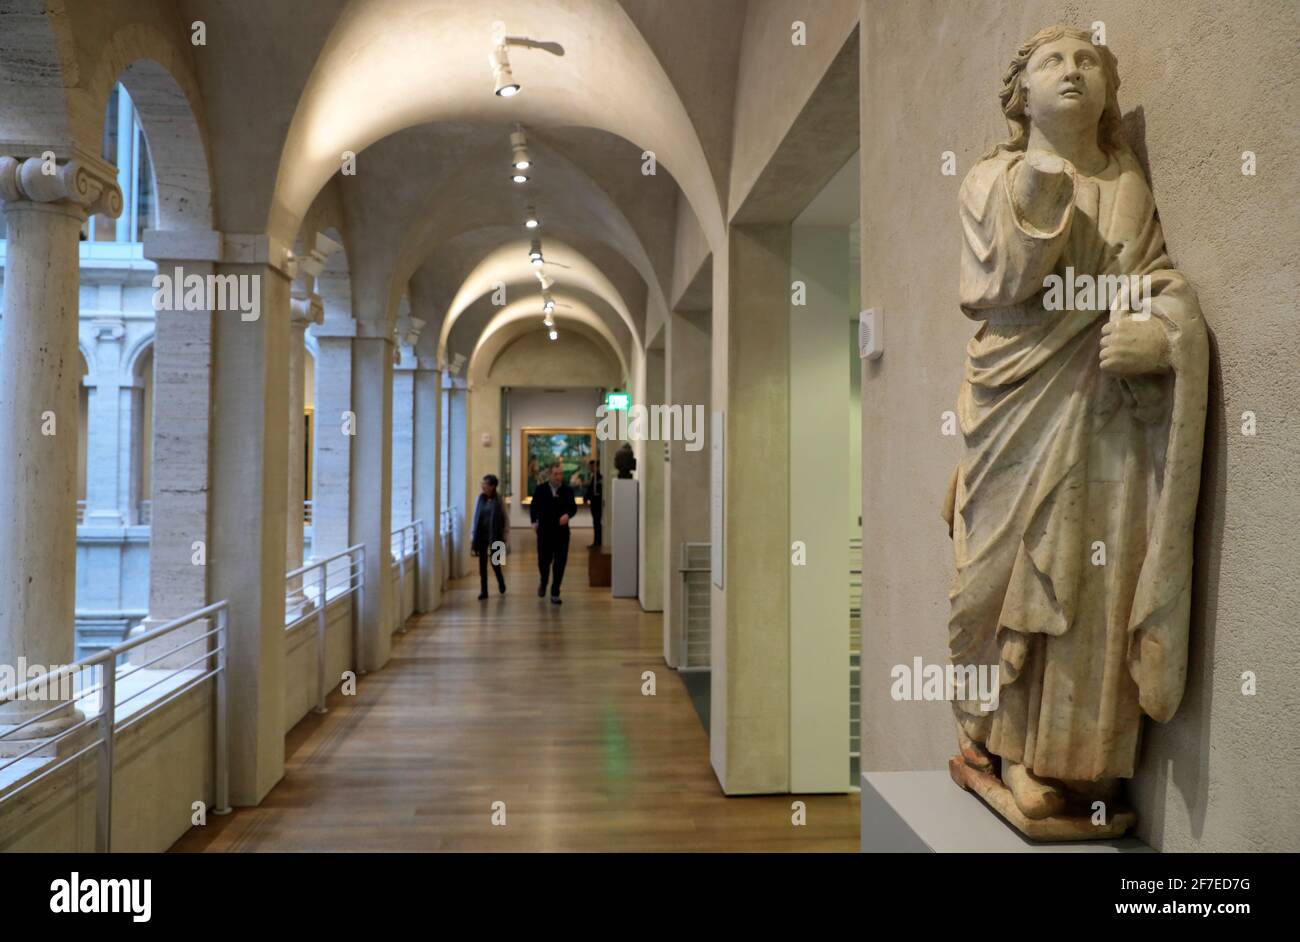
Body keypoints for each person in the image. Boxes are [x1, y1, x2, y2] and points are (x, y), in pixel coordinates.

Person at [944, 26, 1207, 821]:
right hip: (1015, 412)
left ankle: (1074, 761)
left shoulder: (1130, 188)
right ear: (1020, 94)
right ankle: (1001, 745)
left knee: (1090, 581)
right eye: (1051, 61)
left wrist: (1164, 338)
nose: (1072, 70)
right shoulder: (992, 177)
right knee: (998, 584)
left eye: (1087, 60)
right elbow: (1004, 274)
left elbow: (1161, 284)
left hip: (1105, 423)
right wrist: (1041, 188)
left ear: (1108, 90)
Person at [530, 462, 577, 604]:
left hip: (562, 533)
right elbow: (534, 507)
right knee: (543, 562)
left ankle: (555, 591)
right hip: (544, 531)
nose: (558, 477)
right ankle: (543, 581)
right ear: (550, 474)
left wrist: (568, 515)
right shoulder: (540, 490)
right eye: (556, 474)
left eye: (560, 474)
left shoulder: (567, 491)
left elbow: (573, 508)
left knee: (560, 563)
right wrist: (534, 521)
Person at [470, 474, 507, 600]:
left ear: (492, 486)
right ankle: (484, 591)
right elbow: (475, 517)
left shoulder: (500, 500)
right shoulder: (479, 499)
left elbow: (505, 519)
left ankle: (501, 582)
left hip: (496, 535)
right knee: (482, 564)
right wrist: (472, 534)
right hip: (481, 535)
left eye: (485, 484)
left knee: (496, 562)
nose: (482, 486)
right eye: (482, 483)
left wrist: (505, 537)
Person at [585, 459, 603, 547]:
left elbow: (594, 491)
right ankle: (597, 541)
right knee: (596, 523)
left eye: (591, 466)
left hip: (597, 504)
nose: (590, 468)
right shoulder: (595, 477)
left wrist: (587, 497)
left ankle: (597, 542)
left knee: (597, 523)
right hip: (594, 504)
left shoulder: (598, 477)